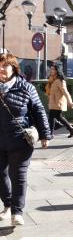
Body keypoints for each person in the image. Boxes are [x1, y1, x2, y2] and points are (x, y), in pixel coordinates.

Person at [0, 54, 51, 226]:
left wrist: (45, 135)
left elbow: (39, 110)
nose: (1, 69)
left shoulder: (26, 87)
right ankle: (8, 204)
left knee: (18, 176)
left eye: (4, 66)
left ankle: (16, 211)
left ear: (13, 68)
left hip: (20, 141)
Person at [45, 64, 73, 138]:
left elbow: (65, 92)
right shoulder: (51, 79)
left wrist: (70, 101)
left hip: (57, 102)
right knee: (59, 117)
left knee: (51, 117)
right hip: (52, 101)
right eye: (51, 69)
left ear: (57, 71)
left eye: (53, 69)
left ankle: (51, 134)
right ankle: (71, 129)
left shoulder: (60, 81)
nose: (51, 71)